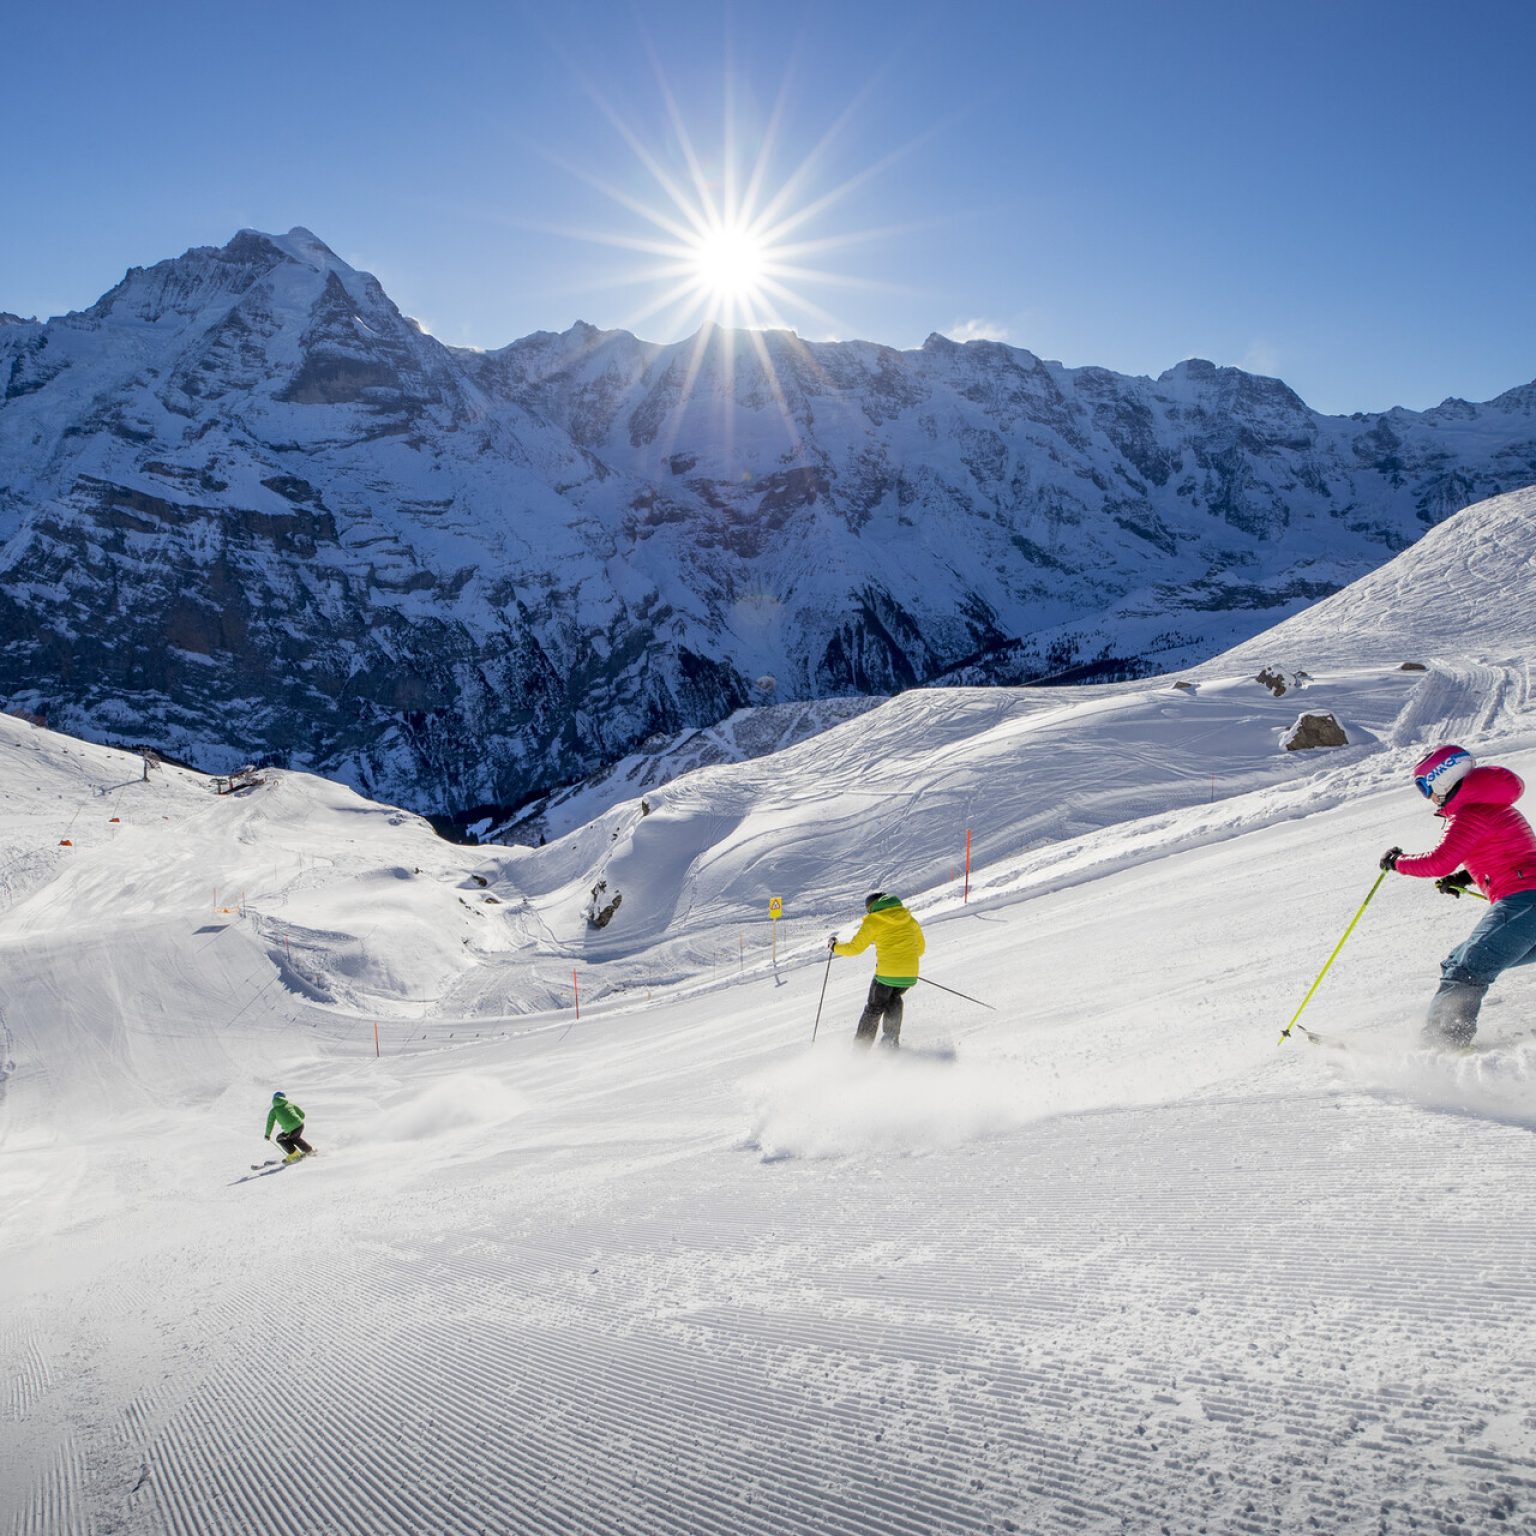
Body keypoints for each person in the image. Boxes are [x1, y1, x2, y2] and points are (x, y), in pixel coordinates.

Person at [1380, 744, 1536, 1046]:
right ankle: (1446, 1037)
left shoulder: (1470, 813)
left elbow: (1438, 861)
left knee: (1468, 968)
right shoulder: (1494, 807)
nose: (1427, 795)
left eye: (1425, 786)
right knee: (1457, 961)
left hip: (1523, 903)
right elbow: (1511, 855)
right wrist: (1464, 878)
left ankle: (1444, 1044)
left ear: (1443, 778)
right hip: (1527, 903)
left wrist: (1396, 862)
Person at [829, 892, 926, 1048]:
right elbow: (920, 949)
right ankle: (890, 1040)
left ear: (872, 907)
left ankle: (861, 1049)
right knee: (894, 999)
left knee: (874, 1008)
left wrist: (834, 947)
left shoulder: (874, 921)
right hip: (909, 974)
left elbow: (855, 948)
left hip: (886, 973)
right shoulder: (909, 919)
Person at [263, 1090, 316, 1161]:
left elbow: (270, 1123)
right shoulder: (290, 1104)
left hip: (291, 1129)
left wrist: (267, 1135)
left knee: (280, 1139)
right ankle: (308, 1150)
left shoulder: (274, 1110)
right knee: (295, 1138)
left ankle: (295, 1154)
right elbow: (302, 1115)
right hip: (300, 1125)